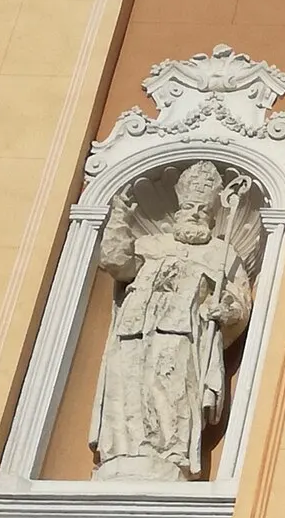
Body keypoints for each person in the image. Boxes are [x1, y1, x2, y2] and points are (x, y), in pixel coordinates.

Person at [90, 160, 256, 481]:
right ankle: (122, 449)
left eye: (203, 211)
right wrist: (120, 219)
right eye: (190, 207)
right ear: (178, 209)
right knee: (130, 387)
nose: (195, 213)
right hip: (135, 331)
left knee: (171, 388)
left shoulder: (221, 254)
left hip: (182, 334)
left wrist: (227, 310)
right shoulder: (152, 245)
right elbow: (116, 262)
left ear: (212, 217)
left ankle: (171, 451)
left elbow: (239, 298)